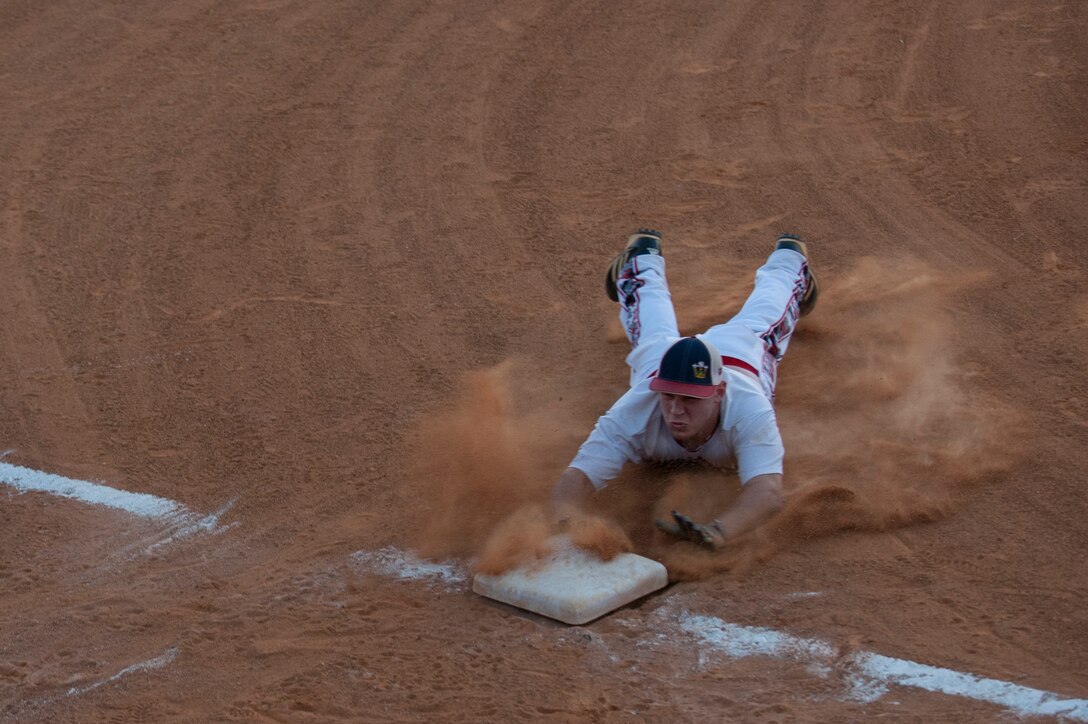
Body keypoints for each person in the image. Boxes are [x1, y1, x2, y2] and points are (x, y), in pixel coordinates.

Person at [550, 228, 818, 549]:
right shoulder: (635, 410)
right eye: (669, 396)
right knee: (651, 330)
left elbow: (768, 493)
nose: (675, 410)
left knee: (766, 319)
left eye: (690, 400)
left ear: (718, 393)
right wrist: (567, 524)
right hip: (659, 359)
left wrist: (718, 532)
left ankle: (789, 259)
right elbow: (573, 480)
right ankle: (641, 258)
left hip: (739, 354)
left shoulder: (749, 409)